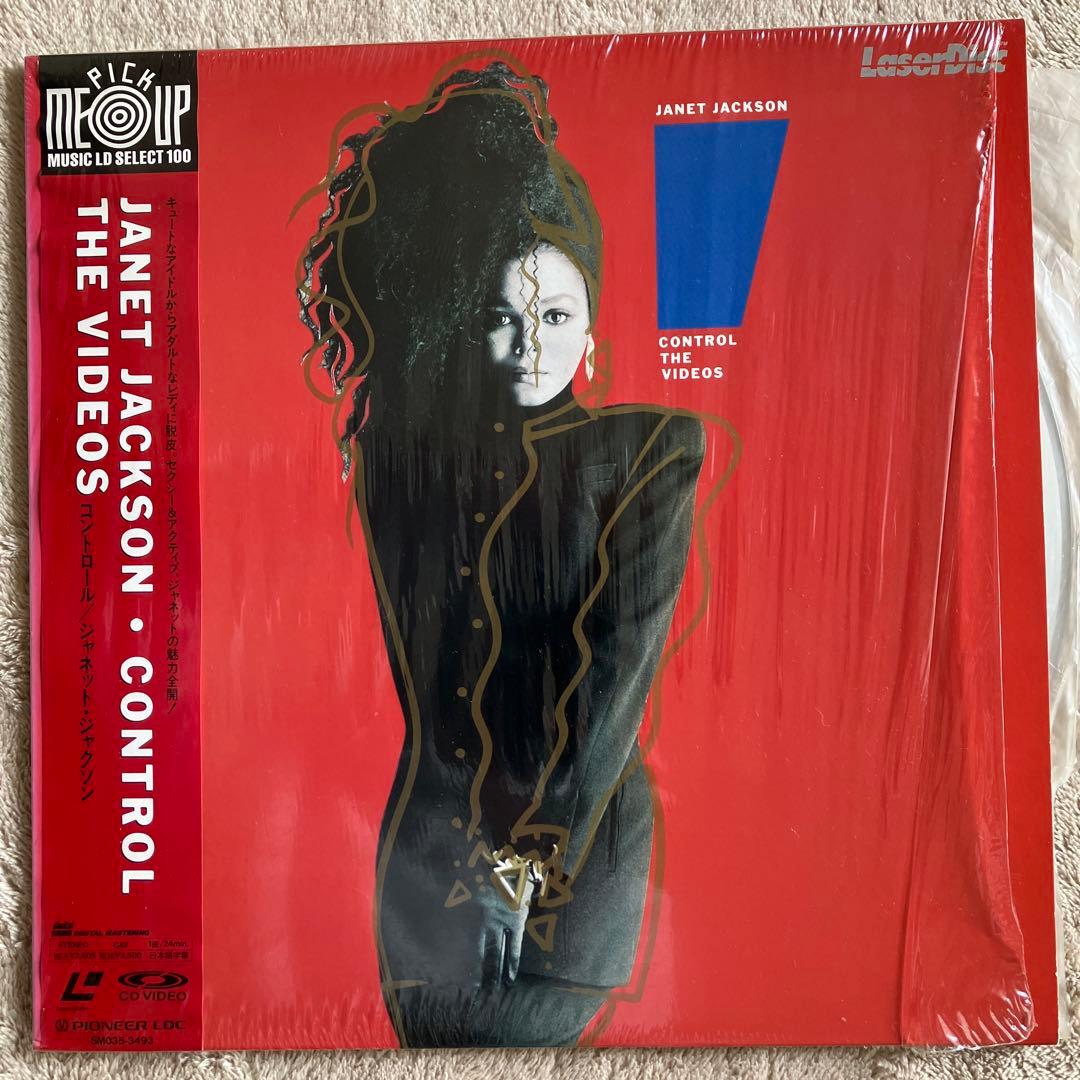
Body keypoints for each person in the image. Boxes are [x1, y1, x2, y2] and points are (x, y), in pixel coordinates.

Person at [296, 57, 724, 1048]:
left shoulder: (650, 452)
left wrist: (523, 856)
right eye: (499, 316)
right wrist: (461, 859)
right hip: (425, 872)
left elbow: (610, 686)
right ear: (458, 324)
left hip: (573, 876)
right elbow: (433, 685)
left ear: (593, 326)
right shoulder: (402, 462)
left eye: (556, 315)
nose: (532, 344)